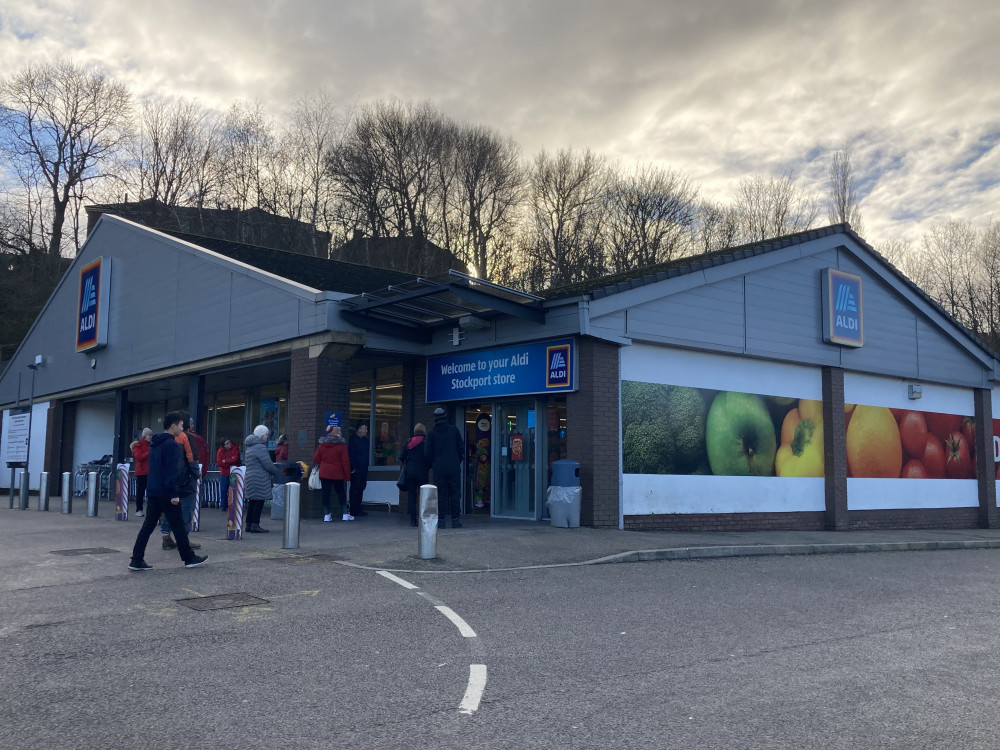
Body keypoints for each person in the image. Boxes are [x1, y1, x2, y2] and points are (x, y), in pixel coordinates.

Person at [128, 411, 208, 571]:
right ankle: (189, 558)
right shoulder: (172, 444)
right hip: (167, 492)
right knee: (178, 525)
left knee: (148, 526)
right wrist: (174, 494)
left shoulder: (154, 443)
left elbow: (155, 468)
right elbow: (172, 470)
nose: (182, 428)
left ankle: (136, 559)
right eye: (180, 425)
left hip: (154, 490)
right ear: (173, 426)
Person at [159, 411, 201, 551]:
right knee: (187, 509)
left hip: (167, 480)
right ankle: (184, 539)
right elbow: (192, 458)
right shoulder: (186, 437)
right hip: (184, 479)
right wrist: (196, 475)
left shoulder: (162, 438)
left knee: (169, 508)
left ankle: (166, 537)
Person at [424, 407, 465, 528]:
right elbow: (461, 449)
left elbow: (427, 453)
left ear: (435, 419)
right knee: (455, 493)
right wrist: (457, 461)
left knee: (440, 494)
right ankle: (455, 519)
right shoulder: (454, 430)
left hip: (439, 468)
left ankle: (441, 520)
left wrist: (433, 465)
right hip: (453, 467)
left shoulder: (432, 434)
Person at [244, 424, 281, 533]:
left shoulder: (250, 446)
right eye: (266, 435)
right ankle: (255, 524)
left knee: (252, 501)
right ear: (261, 435)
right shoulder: (260, 447)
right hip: (259, 477)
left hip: (250, 477)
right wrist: (276, 472)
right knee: (259, 501)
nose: (267, 437)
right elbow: (267, 464)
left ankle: (248, 524)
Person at [313, 425, 351, 522]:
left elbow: (316, 459)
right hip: (338, 473)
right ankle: (345, 514)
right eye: (340, 432)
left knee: (326, 493)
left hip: (325, 473)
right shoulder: (341, 446)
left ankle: (327, 515)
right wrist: (347, 476)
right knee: (341, 492)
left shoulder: (322, 445)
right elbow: (345, 462)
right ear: (337, 433)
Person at [398, 423, 430, 527]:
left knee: (412, 496)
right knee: (423, 496)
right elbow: (429, 456)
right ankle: (423, 518)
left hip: (410, 472)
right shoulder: (426, 441)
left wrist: (408, 463)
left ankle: (413, 520)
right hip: (422, 472)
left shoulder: (409, 441)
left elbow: (402, 456)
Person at [348, 422, 370, 517]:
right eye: (364, 428)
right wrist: (353, 467)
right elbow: (351, 454)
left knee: (361, 487)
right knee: (355, 488)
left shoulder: (365, 441)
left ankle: (358, 507)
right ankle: (353, 509)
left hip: (364, 468)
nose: (366, 431)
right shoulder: (353, 440)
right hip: (356, 468)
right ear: (359, 429)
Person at [129, 427, 152, 517]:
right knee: (140, 492)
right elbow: (139, 457)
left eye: (151, 435)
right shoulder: (138, 445)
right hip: (141, 472)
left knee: (150, 492)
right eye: (149, 435)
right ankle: (139, 509)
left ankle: (150, 510)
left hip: (150, 472)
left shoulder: (151, 445)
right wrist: (149, 453)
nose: (150, 437)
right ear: (145, 436)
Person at [216, 437, 240, 512]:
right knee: (223, 490)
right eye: (227, 443)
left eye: (229, 442)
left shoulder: (235, 448)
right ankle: (223, 506)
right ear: (223, 445)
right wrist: (230, 462)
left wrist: (225, 461)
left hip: (233, 472)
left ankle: (234, 505)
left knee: (234, 490)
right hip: (224, 473)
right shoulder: (220, 451)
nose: (229, 444)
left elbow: (235, 459)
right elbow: (219, 462)